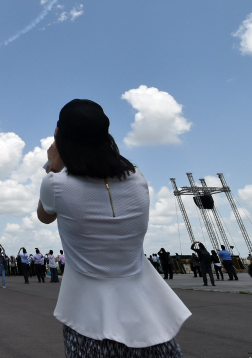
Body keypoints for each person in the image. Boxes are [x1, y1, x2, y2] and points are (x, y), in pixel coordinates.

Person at [37, 99, 189, 357]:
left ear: (60, 136)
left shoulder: (56, 185)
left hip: (88, 316)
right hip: (149, 313)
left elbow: (44, 216)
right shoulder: (138, 177)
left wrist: (52, 166)